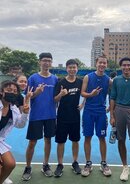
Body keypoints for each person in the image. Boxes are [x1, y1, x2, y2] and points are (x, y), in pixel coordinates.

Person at [22, 53, 58, 181]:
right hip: (36, 116)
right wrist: (36, 93)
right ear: (40, 62)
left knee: (48, 140)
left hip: (50, 115)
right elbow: (27, 96)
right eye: (44, 61)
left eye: (49, 61)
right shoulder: (33, 78)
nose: (46, 63)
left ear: (51, 62)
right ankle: (27, 167)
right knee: (32, 142)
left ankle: (45, 165)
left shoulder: (55, 79)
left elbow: (56, 98)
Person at [81, 55, 112, 177]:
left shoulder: (108, 80)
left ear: (106, 65)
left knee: (102, 137)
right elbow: (83, 93)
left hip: (101, 113)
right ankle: (88, 163)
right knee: (87, 137)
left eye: (104, 63)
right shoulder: (87, 77)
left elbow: (114, 93)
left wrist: (111, 106)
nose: (102, 65)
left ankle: (103, 163)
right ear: (96, 63)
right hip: (88, 112)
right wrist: (91, 94)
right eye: (100, 63)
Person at [54, 59, 84, 177]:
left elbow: (85, 94)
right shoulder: (60, 82)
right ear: (66, 69)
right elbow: (55, 99)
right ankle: (60, 164)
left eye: (74, 67)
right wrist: (61, 94)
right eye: (70, 67)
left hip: (75, 116)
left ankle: (75, 162)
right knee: (61, 141)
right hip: (62, 116)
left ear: (77, 69)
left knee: (75, 140)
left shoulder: (80, 82)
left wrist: (83, 104)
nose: (72, 69)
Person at [0, 80, 30, 184]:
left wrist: (25, 113)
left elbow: (20, 125)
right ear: (1, 92)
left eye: (14, 91)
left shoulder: (13, 109)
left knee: (10, 164)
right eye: (9, 90)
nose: (12, 93)